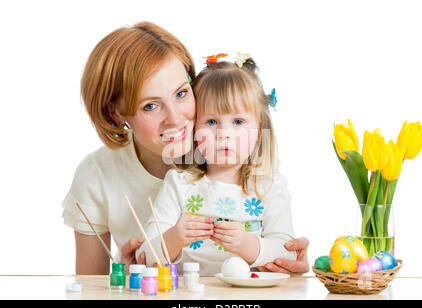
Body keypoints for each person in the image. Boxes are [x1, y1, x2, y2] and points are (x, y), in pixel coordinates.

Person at [62, 21, 310, 276]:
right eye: (150, 106)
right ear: (115, 114)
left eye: (181, 93)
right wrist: (126, 274)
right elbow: (91, 286)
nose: (175, 118)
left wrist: (279, 257)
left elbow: (284, 250)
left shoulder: (261, 177)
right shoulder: (117, 177)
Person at [138, 56, 300, 275]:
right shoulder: (179, 183)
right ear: (195, 128)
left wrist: (247, 245)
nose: (224, 134)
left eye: (238, 122)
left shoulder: (269, 185)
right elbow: (145, 255)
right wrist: (174, 238)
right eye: (212, 122)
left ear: (260, 127)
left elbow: (289, 253)